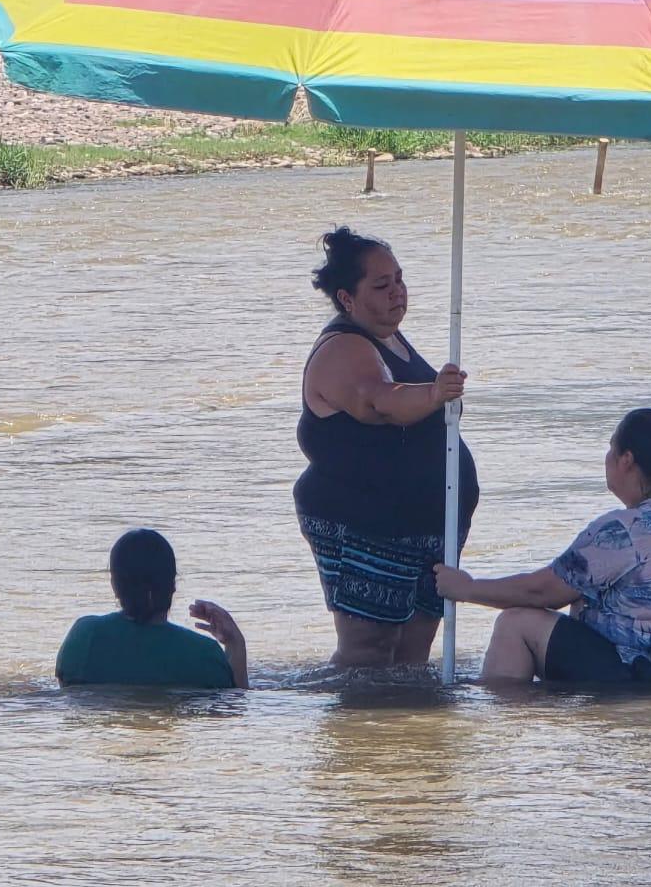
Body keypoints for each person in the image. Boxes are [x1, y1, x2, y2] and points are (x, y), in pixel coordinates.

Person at [434, 408, 651, 687]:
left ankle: (509, 719)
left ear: (626, 460)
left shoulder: (624, 529)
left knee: (515, 624)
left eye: (611, 448)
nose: (607, 457)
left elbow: (542, 592)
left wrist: (467, 588)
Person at [295, 227, 480, 667]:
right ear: (347, 298)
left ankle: (408, 716)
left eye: (399, 279)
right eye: (381, 285)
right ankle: (344, 713)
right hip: (365, 522)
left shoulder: (390, 336)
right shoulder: (343, 348)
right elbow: (379, 402)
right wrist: (433, 394)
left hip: (429, 522)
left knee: (412, 656)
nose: (398, 292)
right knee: (370, 651)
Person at [56, 528, 248, 689]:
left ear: (115, 585)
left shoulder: (83, 636)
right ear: (173, 585)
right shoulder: (205, 654)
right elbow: (234, 707)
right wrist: (235, 644)